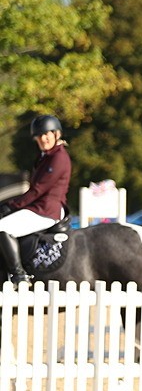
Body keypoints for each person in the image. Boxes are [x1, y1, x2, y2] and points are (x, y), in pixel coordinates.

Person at [0, 115, 72, 284]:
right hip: (39, 207)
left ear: (56, 134)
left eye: (46, 134)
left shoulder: (58, 157)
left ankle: (19, 275)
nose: (43, 139)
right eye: (39, 136)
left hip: (46, 210)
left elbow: (38, 190)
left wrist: (11, 206)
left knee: (2, 227)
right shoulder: (45, 156)